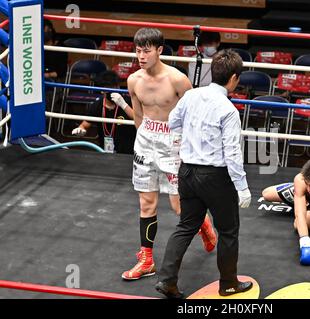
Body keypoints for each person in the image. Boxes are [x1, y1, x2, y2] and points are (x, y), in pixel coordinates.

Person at [155, 49, 252, 299]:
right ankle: (228, 283)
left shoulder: (191, 96)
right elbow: (231, 152)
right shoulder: (228, 110)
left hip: (187, 171)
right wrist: (242, 187)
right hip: (214, 177)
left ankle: (167, 281)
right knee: (228, 231)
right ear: (234, 79)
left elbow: (173, 122)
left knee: (186, 225)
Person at [122, 28, 217, 281]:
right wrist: (140, 141)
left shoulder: (177, 80)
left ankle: (203, 224)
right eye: (138, 51)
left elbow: (194, 116)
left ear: (159, 50)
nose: (141, 56)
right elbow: (139, 115)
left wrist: (192, 149)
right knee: (146, 203)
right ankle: (147, 259)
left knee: (178, 206)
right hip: (145, 141)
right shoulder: (133, 81)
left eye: (146, 51)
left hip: (174, 141)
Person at [71, 70, 136, 154]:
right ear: (102, 90)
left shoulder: (128, 102)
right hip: (104, 151)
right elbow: (84, 125)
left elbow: (138, 120)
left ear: (118, 87)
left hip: (128, 152)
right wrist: (80, 130)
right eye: (109, 88)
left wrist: (124, 105)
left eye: (114, 87)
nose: (113, 91)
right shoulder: (97, 105)